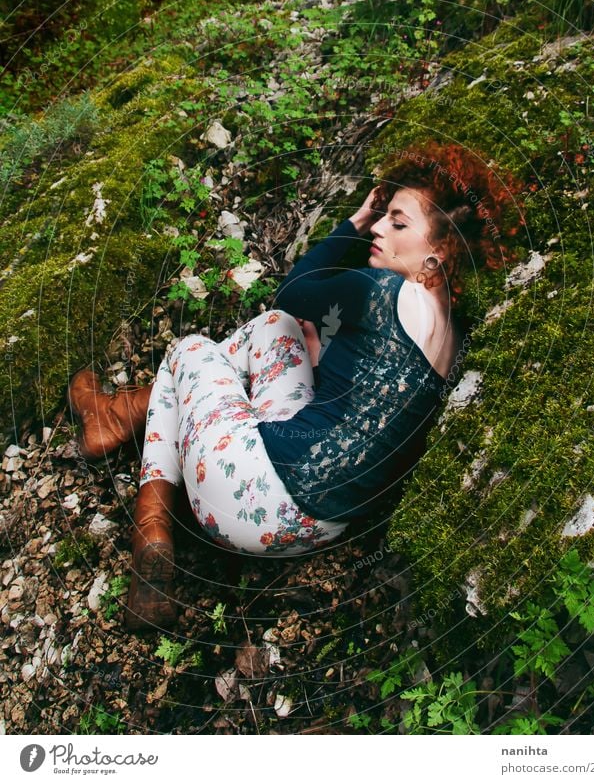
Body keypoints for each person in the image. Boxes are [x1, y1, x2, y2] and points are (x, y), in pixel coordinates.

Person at [68, 140, 523, 630]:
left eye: (397, 221)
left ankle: (150, 526)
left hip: (245, 491)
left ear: (436, 257)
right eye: (381, 216)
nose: (378, 228)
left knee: (191, 350)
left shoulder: (383, 290)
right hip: (313, 531)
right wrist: (320, 357)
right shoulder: (453, 341)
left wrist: (350, 223)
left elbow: (295, 285)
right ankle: (117, 416)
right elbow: (360, 412)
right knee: (278, 326)